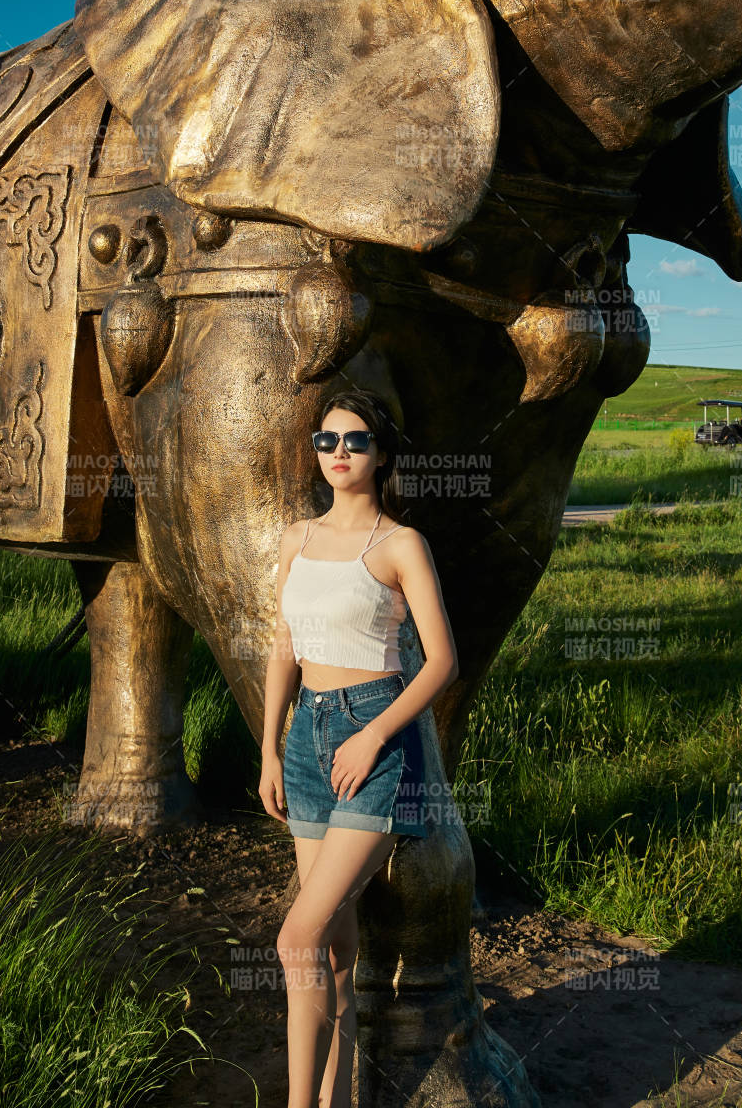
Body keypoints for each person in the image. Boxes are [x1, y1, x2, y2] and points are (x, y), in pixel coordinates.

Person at [259, 388, 458, 1108]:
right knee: (334, 954)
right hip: (307, 737)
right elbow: (283, 647)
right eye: (326, 440)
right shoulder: (296, 538)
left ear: (382, 454)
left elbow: (440, 661)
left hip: (374, 743)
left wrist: (373, 735)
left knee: (294, 940)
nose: (338, 452)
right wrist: (269, 751)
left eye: (355, 441)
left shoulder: (399, 544)